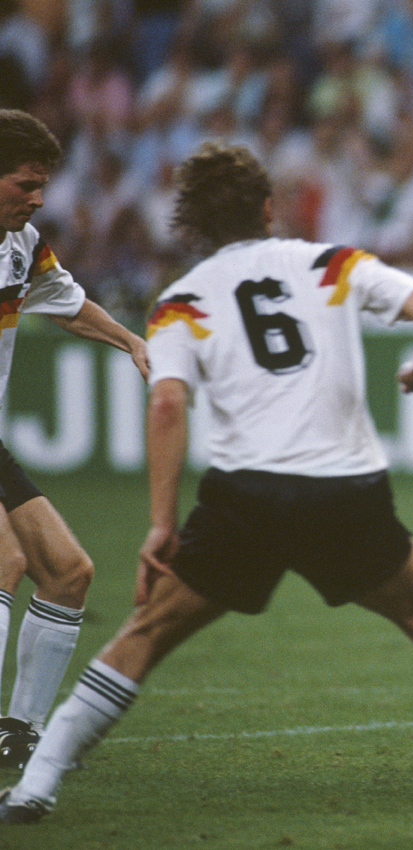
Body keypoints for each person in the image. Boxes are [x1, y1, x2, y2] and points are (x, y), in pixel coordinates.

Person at [0, 141, 413, 824]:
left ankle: (34, 788)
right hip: (347, 489)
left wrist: (161, 523)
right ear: (268, 208)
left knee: (144, 637)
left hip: (246, 499)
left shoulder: (180, 303)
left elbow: (169, 405)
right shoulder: (332, 263)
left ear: (192, 225)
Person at [0, 109, 149, 768]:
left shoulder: (22, 243)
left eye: (43, 185)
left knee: (68, 573)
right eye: (24, 183)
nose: (37, 198)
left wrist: (131, 341)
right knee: (4, 561)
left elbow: (64, 301)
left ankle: (19, 734)